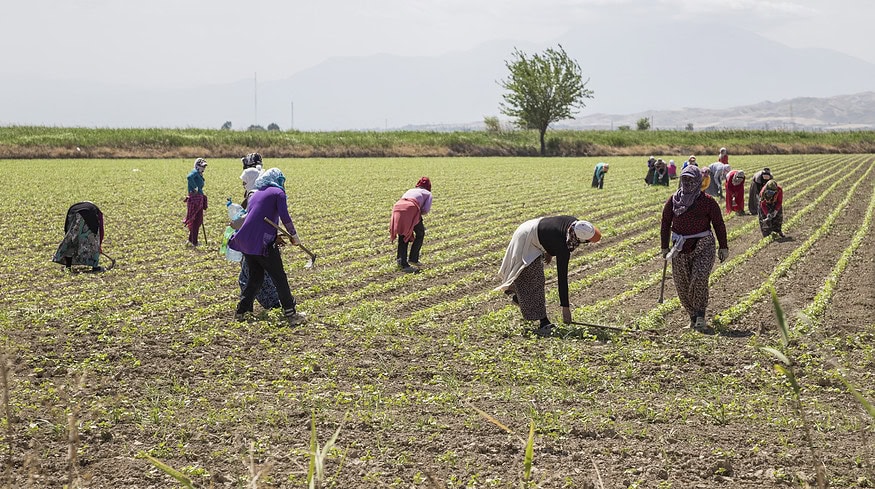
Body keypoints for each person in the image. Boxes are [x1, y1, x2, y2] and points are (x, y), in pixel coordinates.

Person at [496, 216, 601, 337]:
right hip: (526, 238)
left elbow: (553, 232)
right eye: (587, 241)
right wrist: (565, 308)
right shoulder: (563, 246)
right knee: (534, 279)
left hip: (532, 228)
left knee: (531, 277)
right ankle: (543, 322)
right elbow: (562, 278)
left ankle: (520, 299)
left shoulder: (574, 225)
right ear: (579, 239)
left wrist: (549, 251)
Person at [228, 168, 307, 325]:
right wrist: (294, 235)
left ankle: (241, 311)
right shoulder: (278, 193)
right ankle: (291, 313)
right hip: (262, 243)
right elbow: (285, 216)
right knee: (279, 277)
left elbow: (253, 219)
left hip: (246, 240)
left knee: (256, 277)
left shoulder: (256, 193)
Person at [660, 165, 729, 333]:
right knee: (682, 284)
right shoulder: (673, 200)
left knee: (699, 278)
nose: (688, 183)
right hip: (680, 247)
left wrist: (723, 246)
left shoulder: (708, 202)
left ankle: (700, 316)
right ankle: (692, 317)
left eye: (691, 180)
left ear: (698, 181)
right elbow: (665, 223)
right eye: (685, 179)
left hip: (703, 245)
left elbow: (718, 224)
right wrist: (664, 247)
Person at [235, 166, 281, 310]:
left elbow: (252, 220)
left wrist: (236, 223)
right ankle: (251, 307)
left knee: (252, 278)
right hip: (257, 242)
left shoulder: (254, 195)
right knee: (255, 277)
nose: (243, 184)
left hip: (256, 243)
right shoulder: (257, 194)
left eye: (245, 182)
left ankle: (271, 305)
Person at [389, 177, 432, 273]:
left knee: (403, 234)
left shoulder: (411, 190)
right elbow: (425, 210)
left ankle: (401, 261)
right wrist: (416, 218)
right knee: (420, 233)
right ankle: (412, 259)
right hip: (411, 208)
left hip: (397, 207)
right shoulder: (428, 193)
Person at [52, 202, 106, 272]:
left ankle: (68, 266)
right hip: (90, 217)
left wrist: (68, 236)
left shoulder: (74, 207)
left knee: (71, 241)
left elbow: (67, 225)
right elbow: (101, 229)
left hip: (74, 214)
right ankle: (95, 267)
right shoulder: (97, 211)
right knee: (93, 242)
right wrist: (99, 244)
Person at [183, 158, 208, 246]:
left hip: (199, 198)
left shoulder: (199, 174)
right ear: (197, 166)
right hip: (195, 199)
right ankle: (194, 241)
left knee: (198, 220)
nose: (203, 168)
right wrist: (195, 188)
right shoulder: (195, 172)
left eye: (204, 166)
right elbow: (189, 177)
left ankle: (191, 240)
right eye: (202, 166)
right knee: (196, 220)